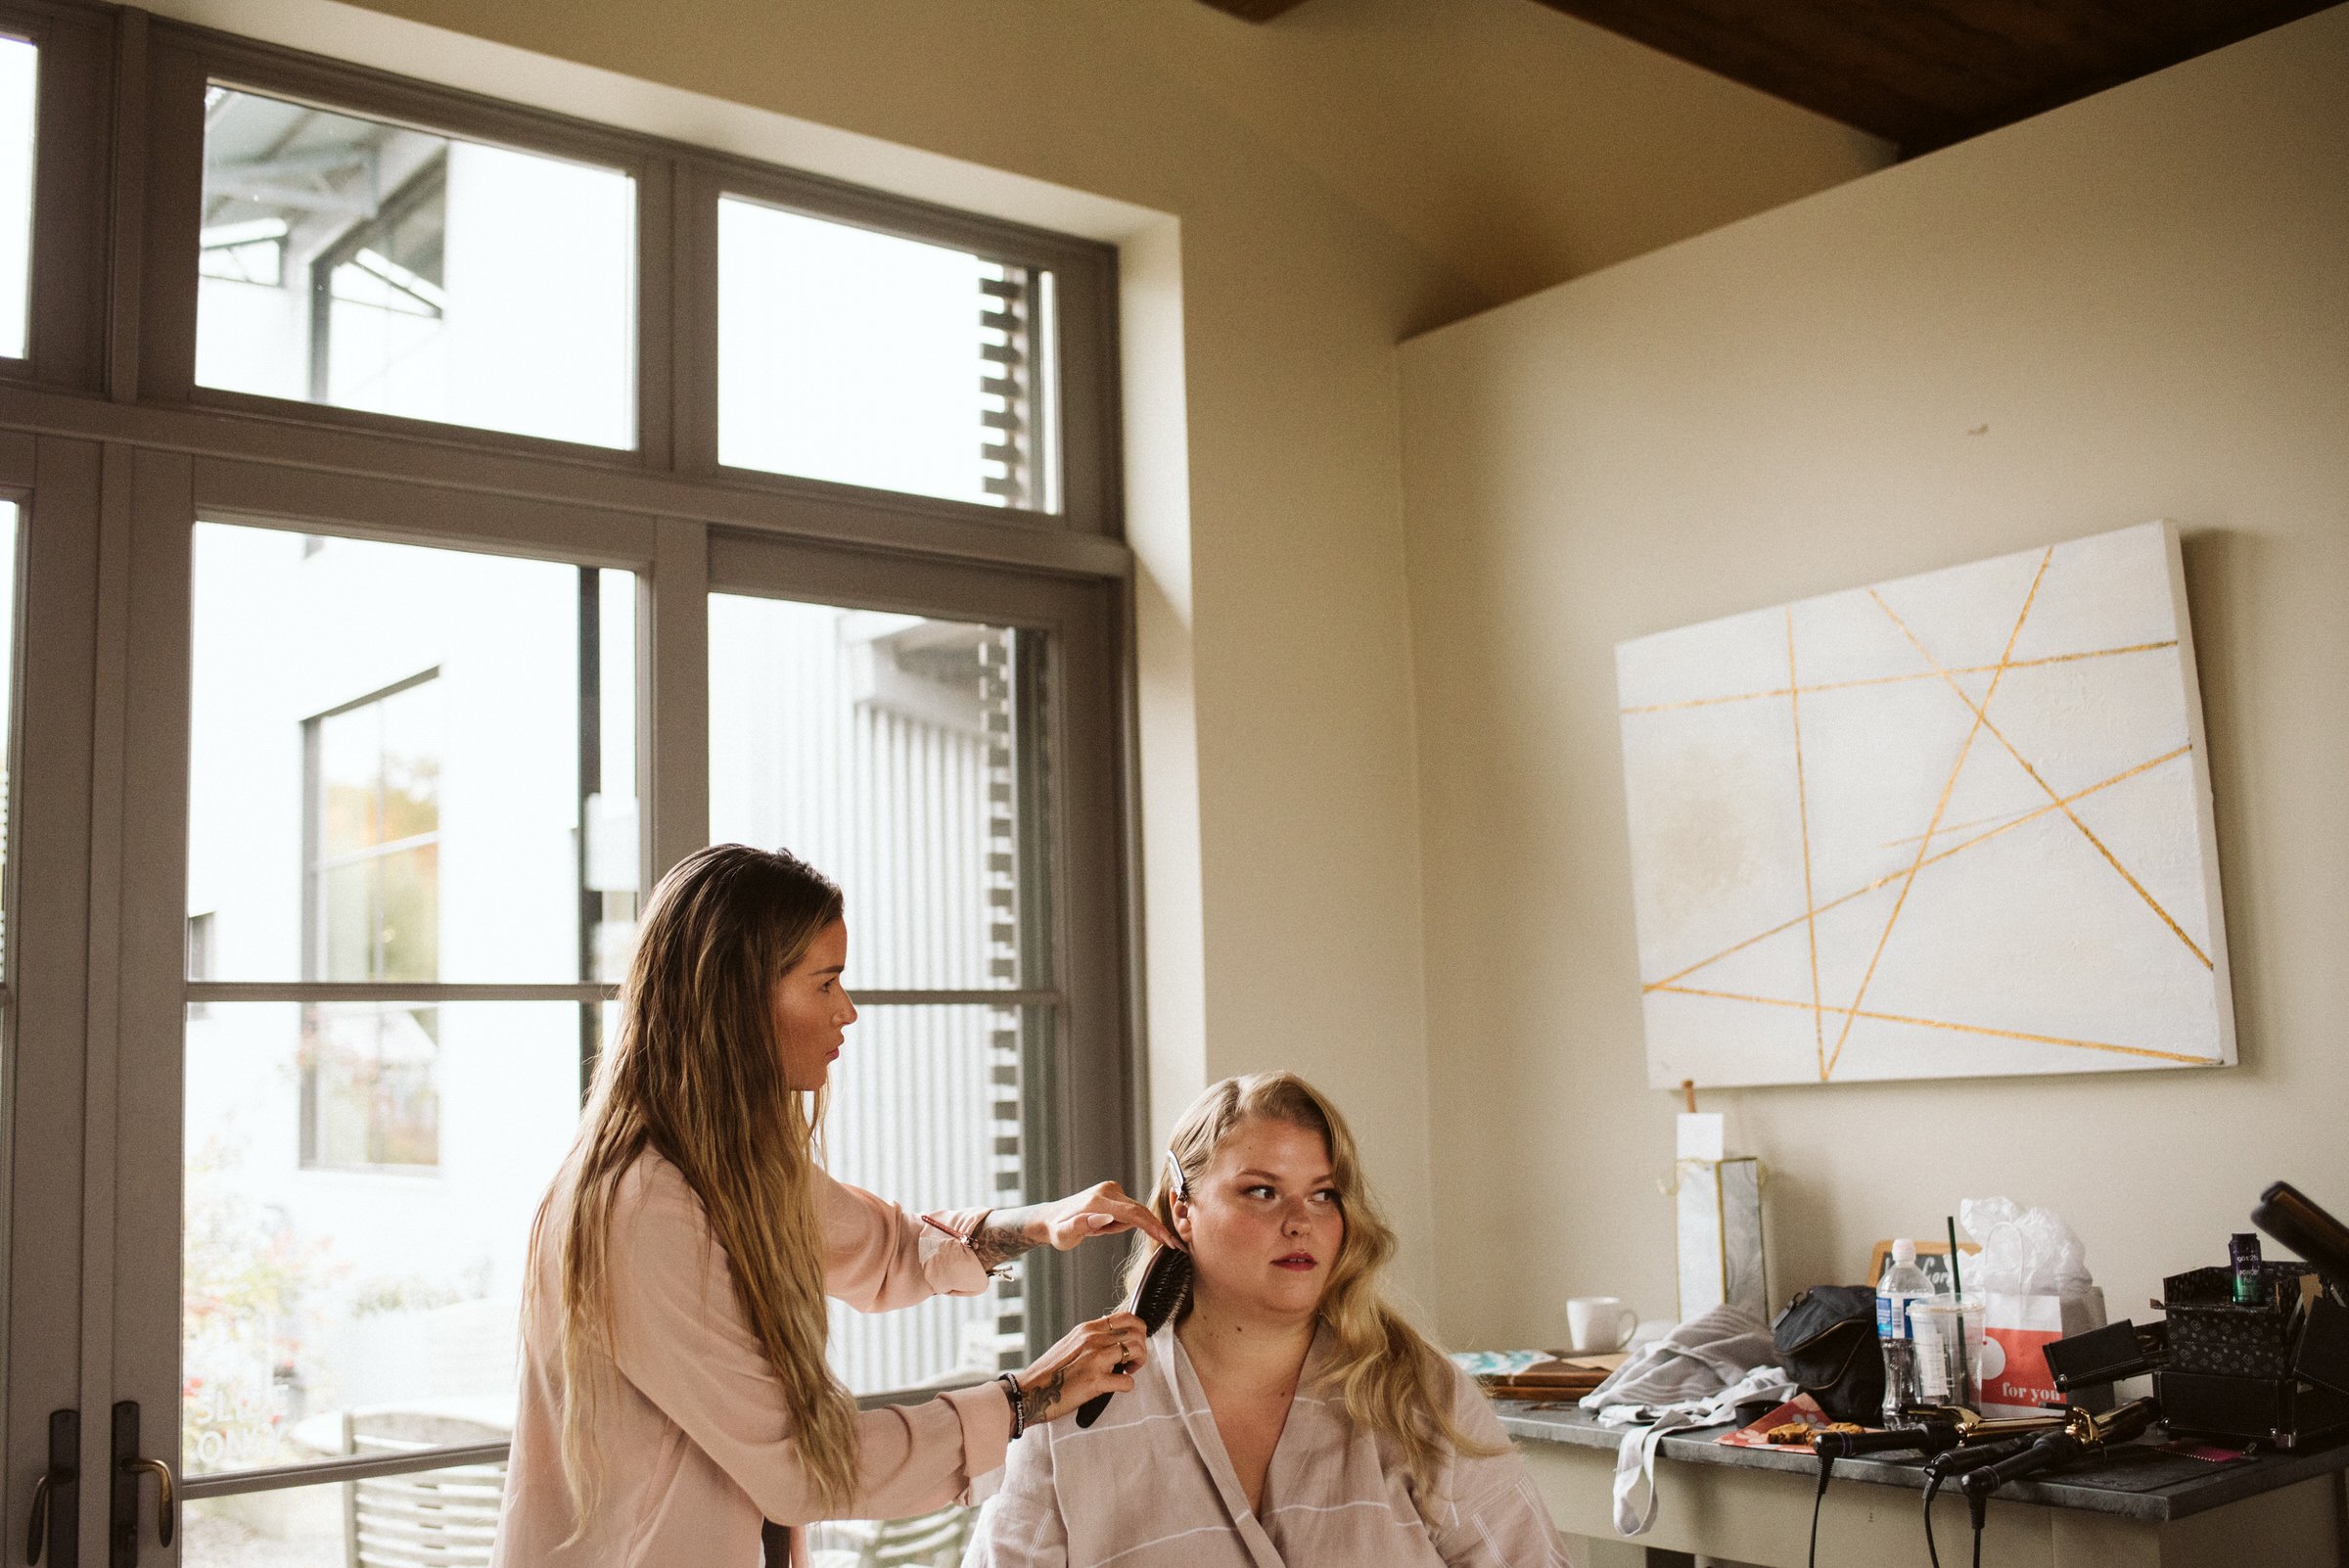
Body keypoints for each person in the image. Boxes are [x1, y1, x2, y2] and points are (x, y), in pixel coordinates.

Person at [491, 844, 1178, 1567]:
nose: (846, 1012)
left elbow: (890, 1249)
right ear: (736, 999)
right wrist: (1028, 1397)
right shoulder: (640, 1212)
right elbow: (798, 1464)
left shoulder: (731, 1169)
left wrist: (1040, 1223)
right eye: (825, 984)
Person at [964, 1072, 1568, 1567]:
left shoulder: (1418, 1394)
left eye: (1324, 1194)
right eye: (1261, 1192)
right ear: (1182, 1210)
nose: (1300, 1220)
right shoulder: (1079, 1407)